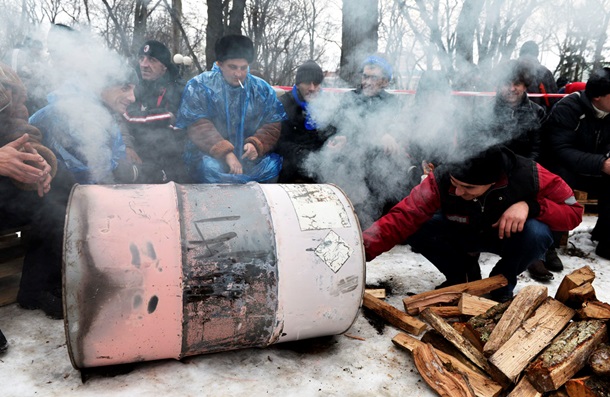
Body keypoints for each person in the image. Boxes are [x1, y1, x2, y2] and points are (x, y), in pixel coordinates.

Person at [362, 146, 583, 302]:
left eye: (468, 188)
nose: (458, 192)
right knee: (416, 226)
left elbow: (573, 213)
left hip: (505, 236)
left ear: (492, 182)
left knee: (538, 232)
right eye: (455, 185)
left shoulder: (531, 175)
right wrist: (361, 250)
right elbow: (403, 216)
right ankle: (461, 275)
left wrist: (531, 207)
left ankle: (502, 282)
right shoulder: (441, 178)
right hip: (460, 228)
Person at [318, 55, 415, 228]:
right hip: (352, 157)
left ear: (385, 81)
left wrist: (391, 134)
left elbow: (401, 128)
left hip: (382, 162)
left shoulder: (393, 103)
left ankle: (383, 221)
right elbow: (336, 127)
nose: (367, 82)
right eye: (365, 76)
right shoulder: (349, 99)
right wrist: (340, 138)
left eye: (373, 77)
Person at [175, 34, 286, 183]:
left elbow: (272, 123)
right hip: (208, 156)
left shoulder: (261, 89)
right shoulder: (200, 86)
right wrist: (226, 153)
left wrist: (256, 144)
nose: (238, 74)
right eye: (232, 67)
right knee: (209, 169)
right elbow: (198, 125)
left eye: (243, 68)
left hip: (246, 158)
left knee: (270, 167)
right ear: (220, 64)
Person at [0, 62, 63, 319]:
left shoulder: (5, 76)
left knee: (53, 199)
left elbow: (19, 127)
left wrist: (36, 159)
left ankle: (37, 288)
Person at [30, 51, 145, 185]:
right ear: (101, 85)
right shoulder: (76, 115)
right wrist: (134, 172)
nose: (133, 98)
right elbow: (95, 176)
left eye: (133, 90)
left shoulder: (101, 111)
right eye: (125, 88)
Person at [545, 67, 610, 259]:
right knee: (559, 182)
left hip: (597, 167)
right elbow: (560, 150)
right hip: (566, 168)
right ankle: (549, 244)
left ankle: (605, 239)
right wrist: (602, 163)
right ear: (598, 97)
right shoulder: (569, 107)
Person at [122, 40, 189, 183]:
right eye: (141, 58)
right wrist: (163, 116)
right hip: (138, 156)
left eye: (152, 60)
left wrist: (144, 119)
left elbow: (179, 126)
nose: (144, 65)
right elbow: (127, 116)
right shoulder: (133, 85)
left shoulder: (180, 88)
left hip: (172, 161)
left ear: (164, 66)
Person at [276, 60, 335, 183]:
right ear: (297, 84)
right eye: (308, 83)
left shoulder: (328, 103)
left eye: (317, 83)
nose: (312, 88)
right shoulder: (283, 104)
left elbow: (333, 130)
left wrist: (334, 140)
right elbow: (278, 142)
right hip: (293, 164)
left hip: (323, 163)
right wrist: (303, 154)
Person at [517, 41, 558, 110]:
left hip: (509, 113)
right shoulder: (544, 72)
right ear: (536, 54)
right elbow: (551, 100)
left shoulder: (510, 69)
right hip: (537, 113)